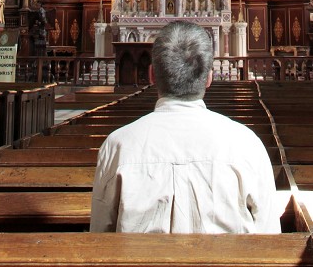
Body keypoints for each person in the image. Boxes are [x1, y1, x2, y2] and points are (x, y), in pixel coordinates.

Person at [90, 20, 280, 234]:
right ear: (209, 77)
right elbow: (269, 232)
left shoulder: (117, 146)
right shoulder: (248, 144)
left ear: (151, 75)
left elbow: (99, 235)